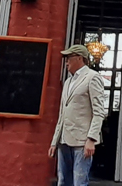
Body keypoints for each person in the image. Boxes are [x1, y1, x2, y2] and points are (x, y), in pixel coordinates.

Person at [48, 44, 108, 186]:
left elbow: (99, 112)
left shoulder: (92, 77)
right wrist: (54, 141)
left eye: (69, 57)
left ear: (79, 58)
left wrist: (91, 139)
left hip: (82, 140)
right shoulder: (68, 82)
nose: (66, 62)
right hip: (64, 139)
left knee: (79, 182)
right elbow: (62, 114)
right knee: (63, 181)